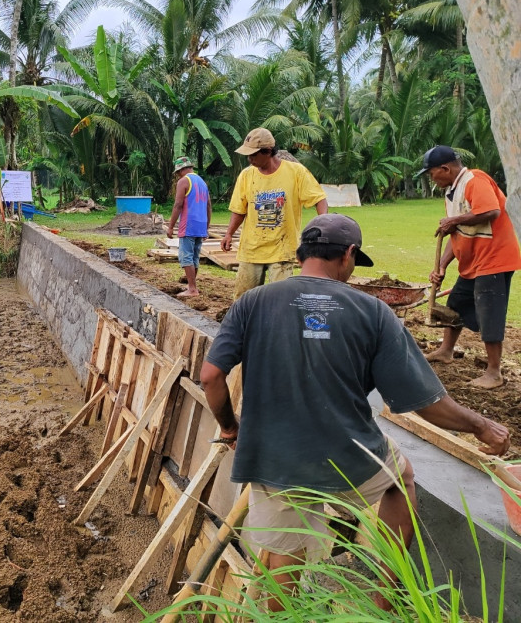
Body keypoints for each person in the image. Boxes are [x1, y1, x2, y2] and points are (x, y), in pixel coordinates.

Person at [200, 214, 510, 612]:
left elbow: (211, 376)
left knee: (283, 560)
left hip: (275, 459)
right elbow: (426, 403)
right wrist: (482, 427)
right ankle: (384, 599)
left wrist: (230, 428)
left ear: (301, 254)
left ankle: (283, 616)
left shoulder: (252, 302)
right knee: (401, 479)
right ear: (347, 254)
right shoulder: (373, 312)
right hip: (349, 458)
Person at [420, 145, 521, 389]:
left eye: (432, 173)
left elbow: (491, 211)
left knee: (489, 312)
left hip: (494, 260)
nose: (432, 179)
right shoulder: (451, 192)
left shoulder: (475, 180)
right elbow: (457, 233)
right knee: (456, 303)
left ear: (445, 169)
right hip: (474, 262)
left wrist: (454, 220)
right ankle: (446, 350)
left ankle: (494, 373)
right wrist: (442, 266)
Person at [222, 128, 328, 299]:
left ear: (268, 151)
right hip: (252, 248)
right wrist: (229, 234)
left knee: (280, 298)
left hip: (283, 249)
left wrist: (323, 225)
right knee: (243, 298)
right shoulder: (246, 175)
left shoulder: (296, 172)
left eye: (253, 155)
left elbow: (319, 199)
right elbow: (239, 210)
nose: (249, 159)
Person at [167, 156, 212, 298]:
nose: (178, 175)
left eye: (177, 173)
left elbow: (178, 205)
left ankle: (192, 289)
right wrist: (206, 227)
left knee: (186, 256)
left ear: (180, 170)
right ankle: (192, 286)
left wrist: (171, 226)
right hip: (200, 225)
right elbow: (208, 206)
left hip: (188, 224)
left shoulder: (183, 181)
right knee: (194, 256)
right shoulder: (202, 182)